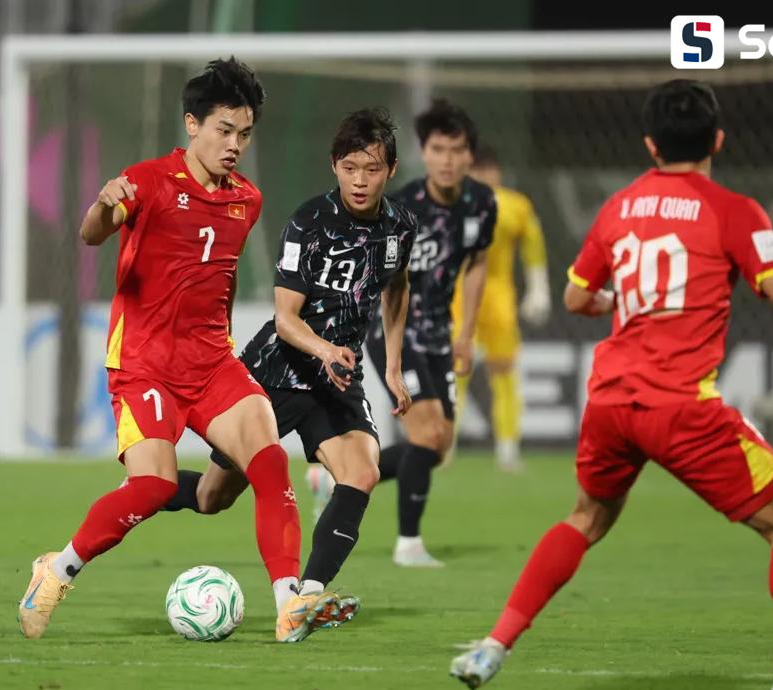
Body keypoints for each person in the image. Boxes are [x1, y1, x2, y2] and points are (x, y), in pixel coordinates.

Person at [450, 79, 773, 690]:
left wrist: (627, 301)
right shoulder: (734, 212)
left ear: (650, 144)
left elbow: (576, 296)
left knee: (586, 516)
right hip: (680, 407)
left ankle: (492, 646)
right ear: (717, 139)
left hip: (611, 401)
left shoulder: (617, 208)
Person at [18, 57, 312, 643]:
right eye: (224, 130)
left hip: (211, 363)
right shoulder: (148, 180)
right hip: (145, 364)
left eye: (245, 134)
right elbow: (92, 233)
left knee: (271, 457)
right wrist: (104, 204)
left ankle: (288, 603)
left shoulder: (245, 201)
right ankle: (56, 569)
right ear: (192, 125)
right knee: (152, 486)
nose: (235, 145)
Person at [159, 108, 417, 638]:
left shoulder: (400, 227)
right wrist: (326, 348)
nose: (360, 180)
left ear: (390, 169)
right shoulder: (310, 221)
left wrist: (392, 365)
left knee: (362, 471)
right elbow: (285, 319)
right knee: (213, 497)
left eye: (371, 168)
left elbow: (397, 286)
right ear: (334, 167)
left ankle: (306, 598)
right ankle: (145, 485)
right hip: (276, 373)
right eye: (349, 168)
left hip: (336, 376)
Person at [361, 99, 495, 568]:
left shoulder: (482, 203)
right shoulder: (403, 210)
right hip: (393, 332)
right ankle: (409, 544)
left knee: (437, 447)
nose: (447, 159)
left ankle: (348, 472)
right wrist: (393, 356)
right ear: (424, 152)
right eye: (438, 149)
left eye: (457, 150)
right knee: (425, 435)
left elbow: (477, 265)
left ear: (469, 155)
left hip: (441, 335)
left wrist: (467, 335)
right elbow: (383, 282)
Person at [451, 145, 550, 472]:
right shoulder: (451, 203)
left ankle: (507, 447)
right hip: (459, 295)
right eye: (477, 170)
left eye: (487, 169)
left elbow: (533, 247)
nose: (483, 176)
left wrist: (538, 289)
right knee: (455, 372)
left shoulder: (515, 205)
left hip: (499, 296)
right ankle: (444, 446)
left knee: (504, 370)